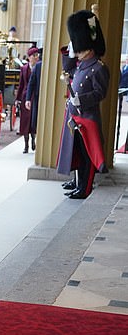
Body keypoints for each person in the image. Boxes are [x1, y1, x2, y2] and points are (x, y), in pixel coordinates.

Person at [57, 10, 109, 199]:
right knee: (77, 152)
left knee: (87, 156)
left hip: (87, 118)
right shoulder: (81, 65)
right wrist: (69, 50)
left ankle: (85, 188)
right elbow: (67, 68)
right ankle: (79, 183)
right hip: (75, 115)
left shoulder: (98, 68)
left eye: (79, 46)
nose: (77, 52)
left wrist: (82, 99)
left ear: (90, 46)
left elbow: (100, 93)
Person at [16, 46, 40, 153]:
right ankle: (26, 145)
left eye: (37, 55)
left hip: (35, 97)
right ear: (29, 57)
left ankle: (33, 140)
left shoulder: (39, 67)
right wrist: (18, 98)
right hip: (25, 96)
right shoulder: (24, 69)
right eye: (34, 56)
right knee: (25, 121)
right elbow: (21, 84)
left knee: (33, 121)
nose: (36, 58)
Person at [24, 47, 42, 153]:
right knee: (35, 123)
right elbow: (31, 83)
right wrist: (27, 99)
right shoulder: (38, 66)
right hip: (37, 98)